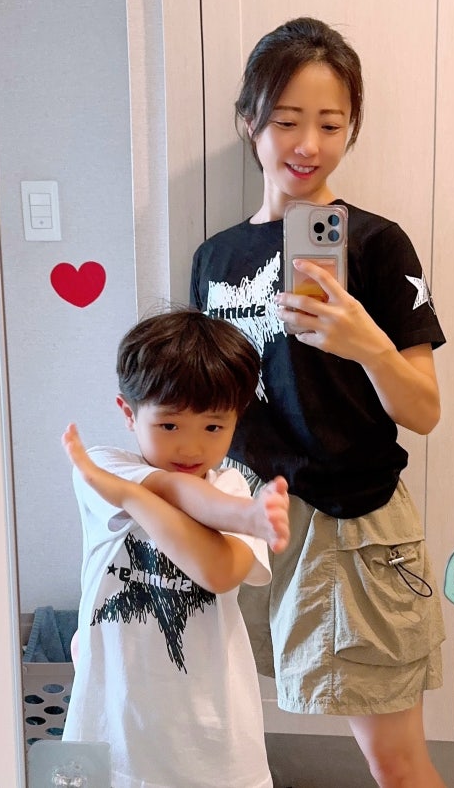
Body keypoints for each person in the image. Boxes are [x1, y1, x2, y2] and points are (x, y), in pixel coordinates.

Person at [190, 17, 448, 788]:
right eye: (286, 121)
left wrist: (366, 343)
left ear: (350, 128)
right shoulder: (215, 257)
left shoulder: (375, 244)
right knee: (225, 737)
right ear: (249, 121)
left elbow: (424, 411)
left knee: (395, 764)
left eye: (330, 124)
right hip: (247, 520)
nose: (307, 144)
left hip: (351, 524)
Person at [60, 309, 290, 788]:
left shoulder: (232, 488)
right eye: (169, 426)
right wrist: (240, 517)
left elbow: (218, 573)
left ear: (236, 421)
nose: (190, 448)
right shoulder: (105, 467)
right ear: (128, 413)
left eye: (213, 427)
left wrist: (134, 500)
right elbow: (176, 490)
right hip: (115, 729)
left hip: (212, 738)